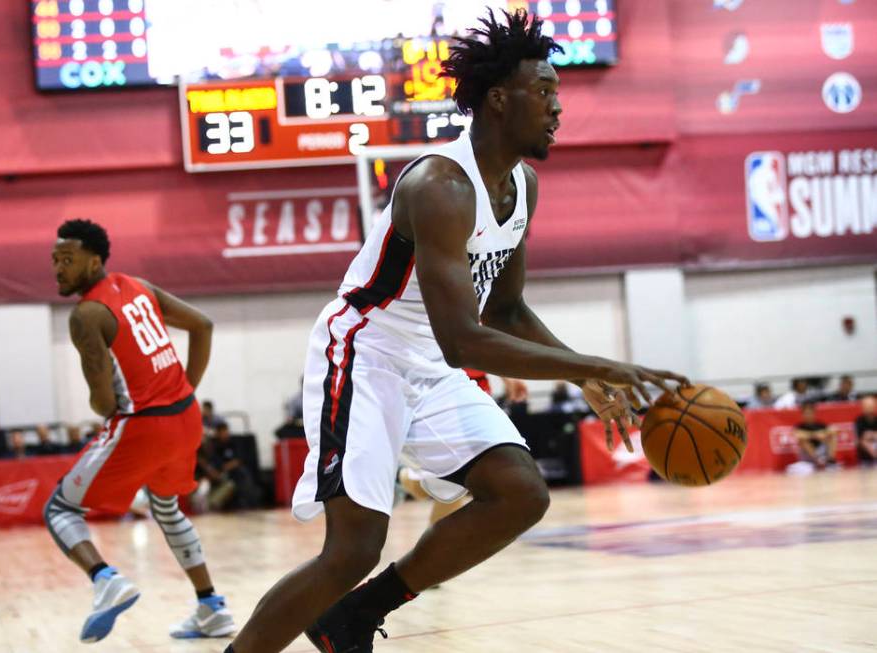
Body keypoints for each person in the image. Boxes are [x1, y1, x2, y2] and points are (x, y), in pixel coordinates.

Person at [224, 11, 688, 653]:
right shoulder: (439, 185)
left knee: (520, 493)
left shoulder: (522, 183)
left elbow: (506, 310)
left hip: (430, 360)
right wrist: (600, 368)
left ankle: (353, 618)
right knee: (352, 549)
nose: (558, 109)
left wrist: (583, 371)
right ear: (500, 99)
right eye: (546, 93)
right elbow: (465, 341)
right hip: (365, 352)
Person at [45, 219, 236, 643]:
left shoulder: (86, 315)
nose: (58, 268)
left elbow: (103, 403)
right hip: (186, 417)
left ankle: (105, 579)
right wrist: (183, 390)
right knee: (166, 507)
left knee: (59, 510)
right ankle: (211, 607)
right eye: (55, 260)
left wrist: (120, 399)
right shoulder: (138, 285)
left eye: (68, 259)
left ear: (94, 261)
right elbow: (202, 325)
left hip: (144, 423)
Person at [198, 421, 261, 510]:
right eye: (223, 432)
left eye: (226, 432)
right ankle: (209, 504)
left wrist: (225, 467)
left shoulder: (234, 443)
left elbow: (239, 460)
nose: (225, 434)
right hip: (216, 476)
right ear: (218, 433)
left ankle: (249, 502)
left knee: (241, 475)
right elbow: (216, 466)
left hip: (229, 474)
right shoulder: (212, 448)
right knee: (207, 484)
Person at [794, 403, 838, 470]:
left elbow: (834, 430)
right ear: (802, 415)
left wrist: (824, 434)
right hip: (808, 454)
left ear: (814, 413)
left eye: (809, 413)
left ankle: (830, 460)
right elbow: (797, 435)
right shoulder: (800, 426)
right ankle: (817, 461)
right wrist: (814, 435)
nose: (808, 415)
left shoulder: (820, 424)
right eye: (806, 413)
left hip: (821, 450)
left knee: (832, 438)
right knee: (803, 441)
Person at [855, 396, 877, 466]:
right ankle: (874, 458)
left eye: (870, 406)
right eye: (867, 406)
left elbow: (868, 435)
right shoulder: (859, 421)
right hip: (865, 451)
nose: (869, 408)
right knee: (864, 441)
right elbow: (860, 438)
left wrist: (872, 435)